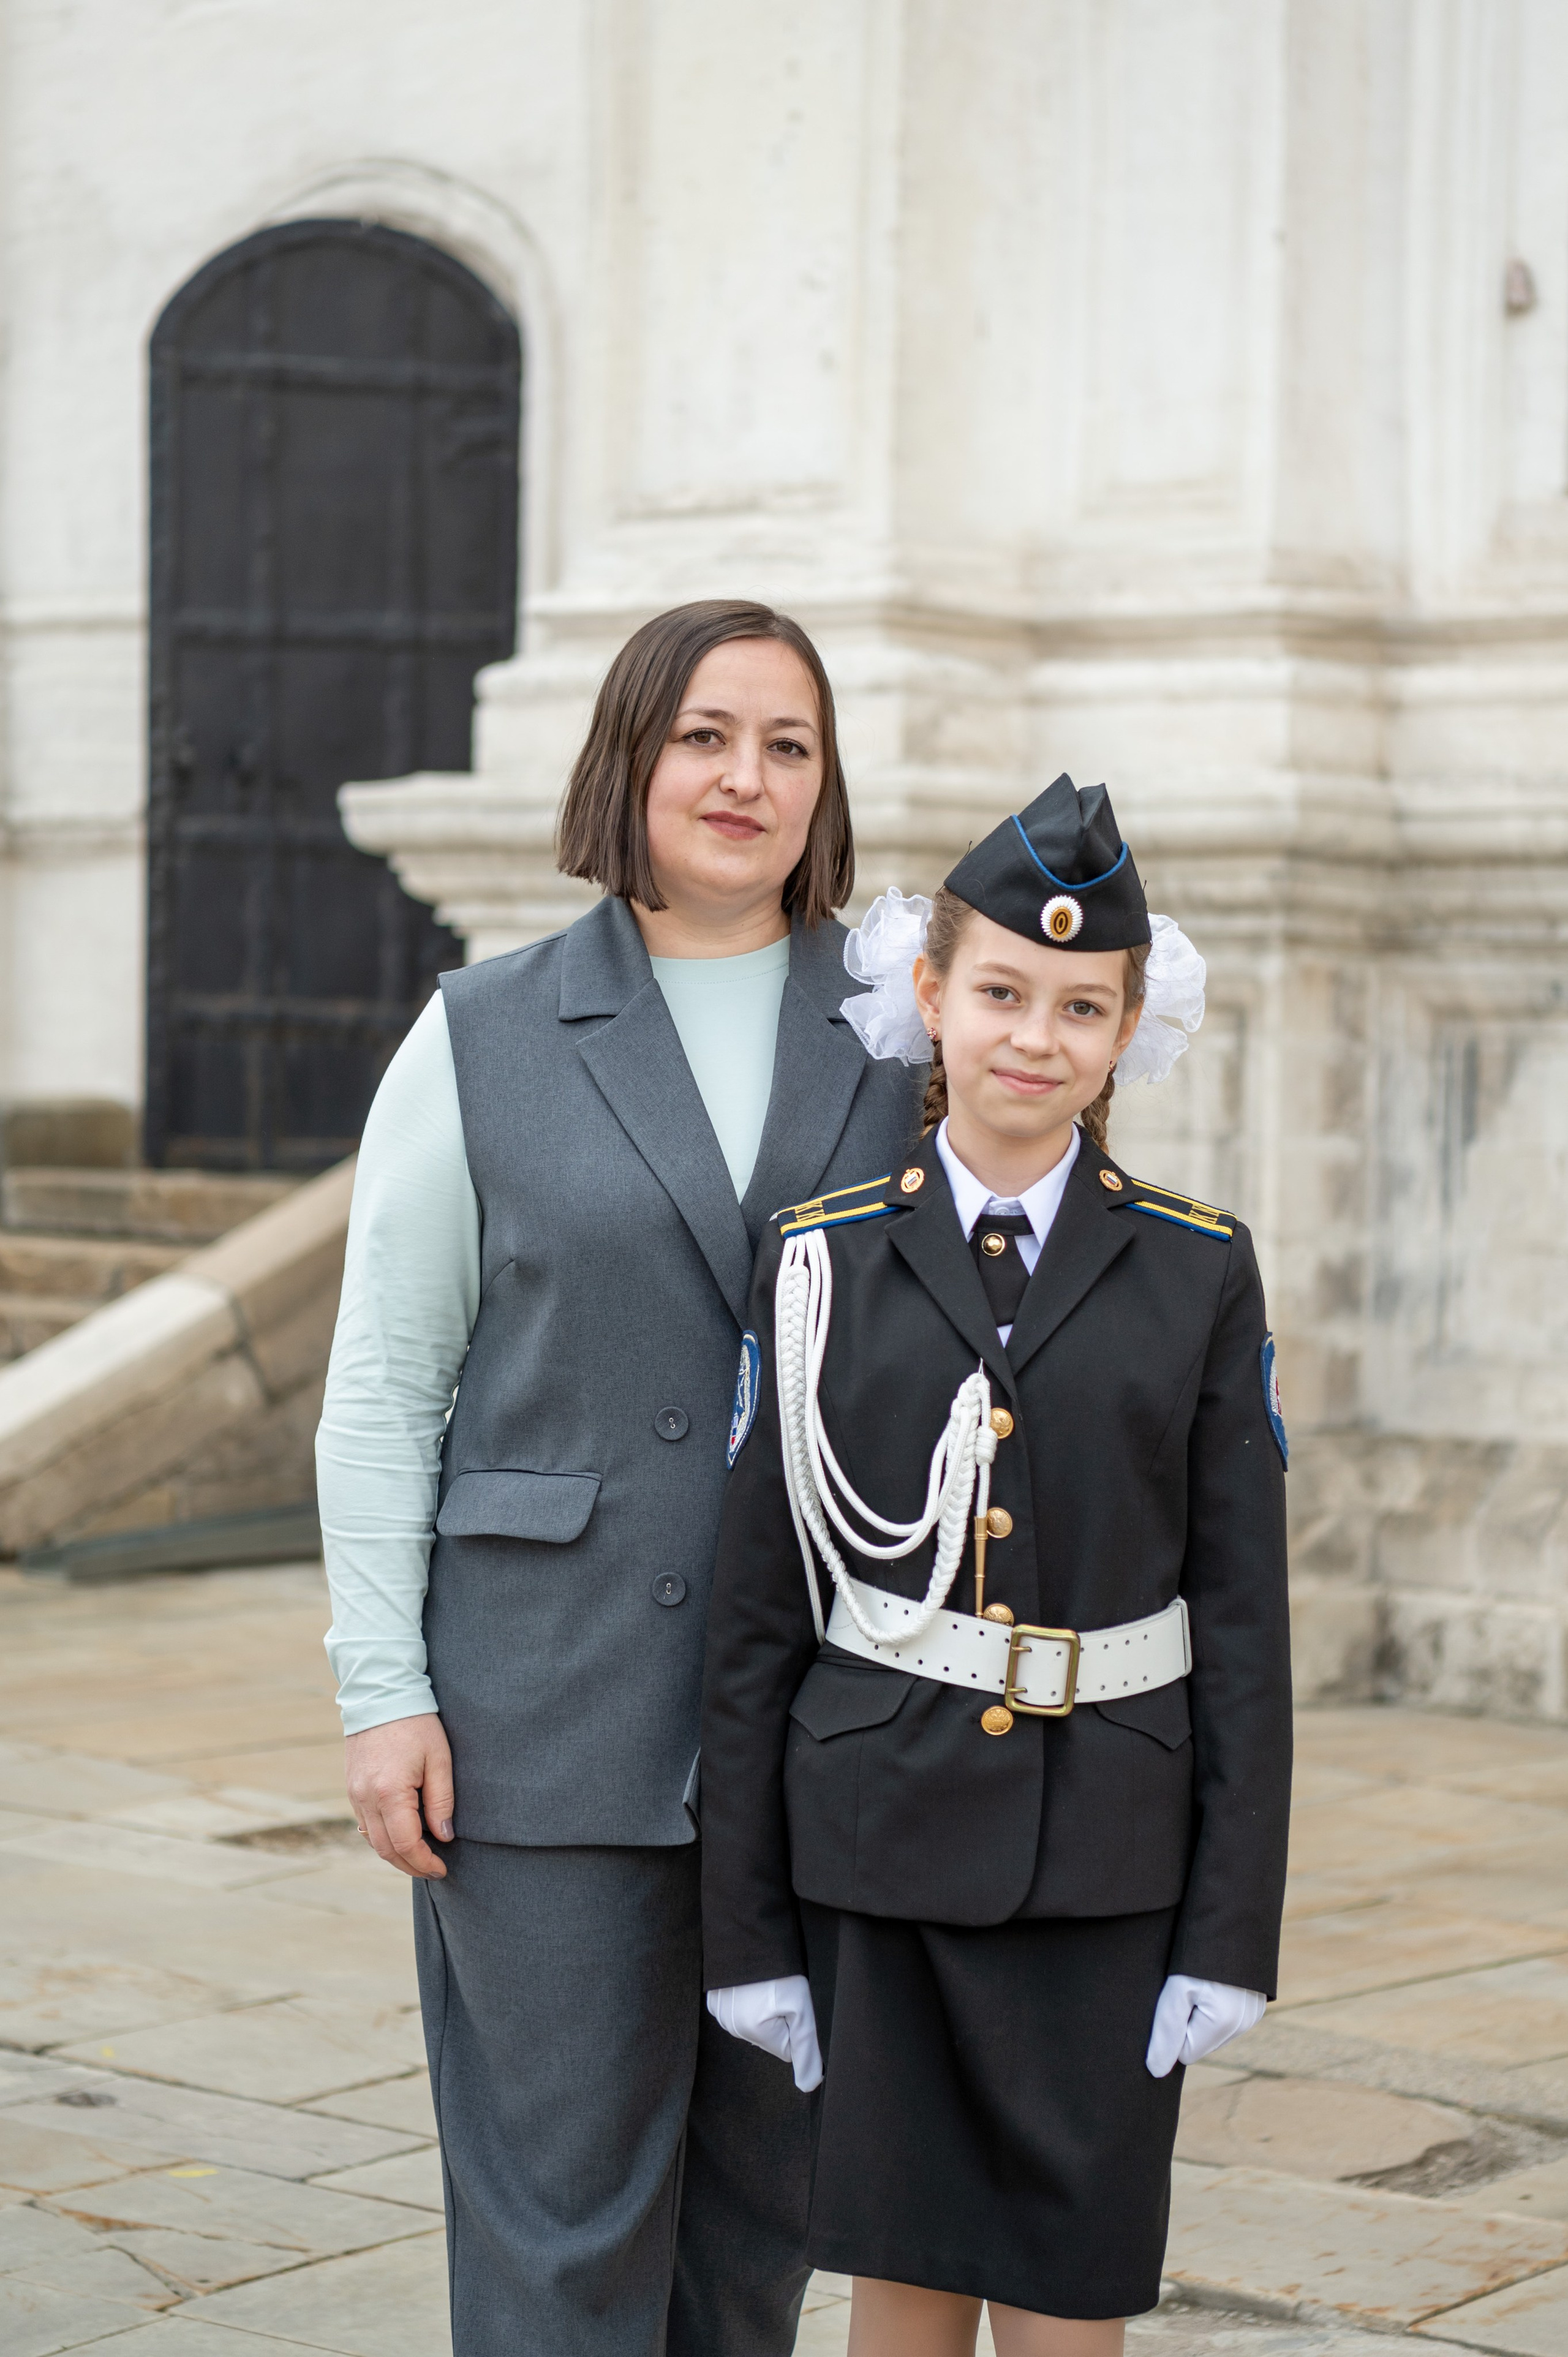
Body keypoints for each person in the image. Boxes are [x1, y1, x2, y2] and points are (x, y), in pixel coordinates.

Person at [315, 600, 924, 2355]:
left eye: (789, 746)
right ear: (630, 757)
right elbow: (384, 1390)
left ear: (825, 787)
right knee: (561, 2236)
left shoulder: (906, 1034)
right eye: (705, 736)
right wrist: (383, 1691)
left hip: (825, 1731)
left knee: (759, 2241)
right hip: (544, 1723)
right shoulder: (483, 1032)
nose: (747, 777)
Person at [699, 775, 1293, 2357]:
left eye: (1081, 1007)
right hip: (879, 1854)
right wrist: (747, 1935)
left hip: (1111, 1871)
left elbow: (1245, 1627)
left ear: (1127, 1032)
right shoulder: (819, 1258)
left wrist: (1231, 1929)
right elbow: (758, 1623)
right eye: (1003, 993)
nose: (1036, 1037)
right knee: (901, 2291)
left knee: (1069, 2300)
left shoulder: (1198, 1271)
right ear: (930, 996)